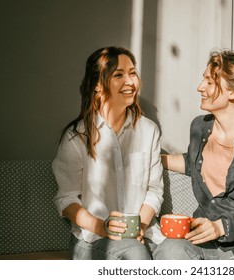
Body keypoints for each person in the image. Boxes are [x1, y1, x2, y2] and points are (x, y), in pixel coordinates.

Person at [154, 50, 234, 260]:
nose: (200, 87)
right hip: (200, 234)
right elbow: (193, 162)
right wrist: (151, 160)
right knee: (169, 252)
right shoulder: (200, 126)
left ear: (232, 91)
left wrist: (220, 227)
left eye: (209, 81)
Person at [52, 46, 164, 260]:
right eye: (119, 75)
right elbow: (66, 200)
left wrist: (138, 227)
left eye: (132, 73)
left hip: (145, 232)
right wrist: (103, 228)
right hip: (93, 238)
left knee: (179, 253)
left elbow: (154, 190)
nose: (130, 82)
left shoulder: (149, 130)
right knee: (134, 254)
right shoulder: (76, 137)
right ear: (97, 85)